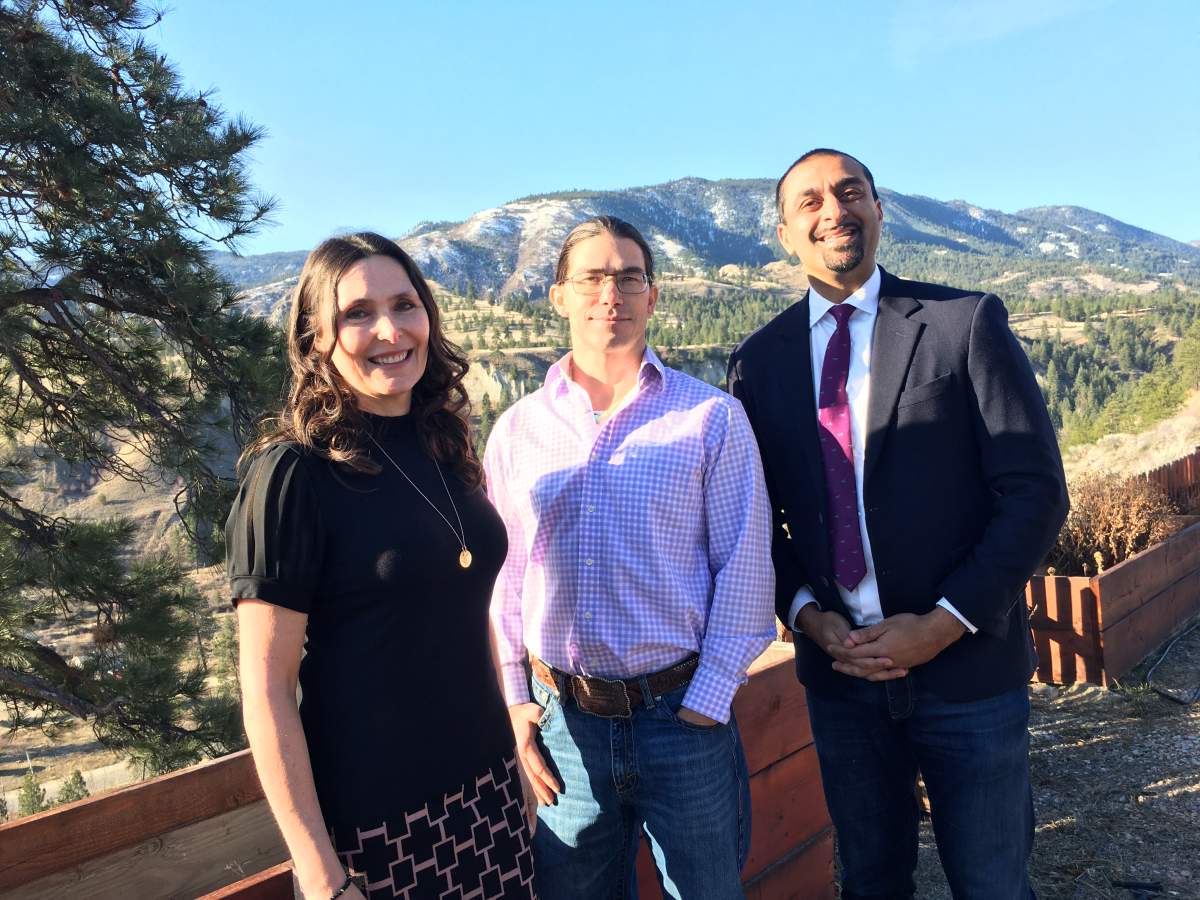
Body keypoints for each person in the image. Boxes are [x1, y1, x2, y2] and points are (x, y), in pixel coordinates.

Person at [727, 149, 1069, 900]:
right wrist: (807, 617)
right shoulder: (758, 364)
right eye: (810, 202)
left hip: (968, 674)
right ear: (785, 233)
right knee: (873, 881)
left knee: (992, 883)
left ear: (880, 210)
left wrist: (944, 623)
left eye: (851, 193)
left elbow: (1036, 494)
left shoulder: (962, 324)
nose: (834, 211)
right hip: (841, 680)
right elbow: (754, 524)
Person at [227, 233, 536, 900]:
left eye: (405, 304)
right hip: (381, 831)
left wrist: (510, 759)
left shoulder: (443, 445)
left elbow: (462, 613)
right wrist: (318, 870)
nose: (390, 330)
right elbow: (267, 688)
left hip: (490, 797)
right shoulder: (293, 475)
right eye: (357, 314)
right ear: (316, 339)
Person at [485, 216, 775, 899]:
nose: (609, 291)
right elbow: (505, 578)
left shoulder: (710, 417)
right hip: (563, 727)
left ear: (652, 295)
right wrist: (513, 699)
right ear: (558, 296)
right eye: (590, 276)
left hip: (681, 718)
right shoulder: (517, 431)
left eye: (628, 276)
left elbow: (746, 562)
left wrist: (707, 702)